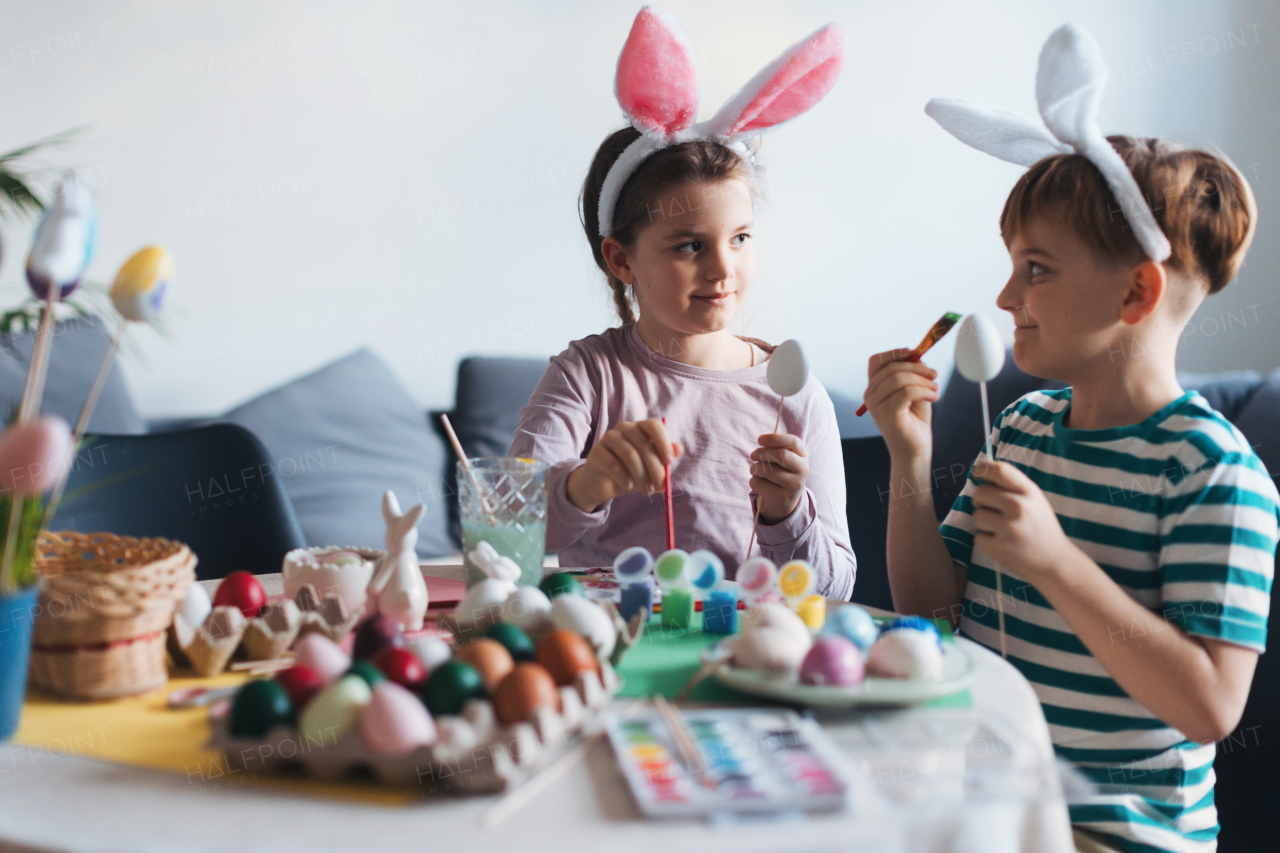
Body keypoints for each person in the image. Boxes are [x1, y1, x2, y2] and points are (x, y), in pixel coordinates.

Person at [867, 24, 1279, 853]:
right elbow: (933, 616)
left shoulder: (1214, 474)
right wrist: (910, 460)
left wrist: (1056, 563)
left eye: (1037, 268)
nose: (1006, 291)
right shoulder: (1019, 429)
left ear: (1136, 292)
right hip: (982, 813)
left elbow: (1209, 705)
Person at [509, 6, 855, 596]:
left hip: (749, 657)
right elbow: (508, 535)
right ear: (620, 260)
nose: (724, 268)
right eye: (690, 245)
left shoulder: (795, 396)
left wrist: (785, 513)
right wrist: (586, 483)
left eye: (740, 238)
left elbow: (835, 588)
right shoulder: (586, 378)